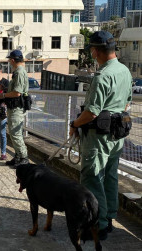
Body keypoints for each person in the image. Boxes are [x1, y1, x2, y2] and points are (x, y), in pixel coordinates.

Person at [69, 31, 132, 240]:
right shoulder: (124, 71)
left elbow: (92, 112)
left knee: (93, 178)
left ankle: (99, 224)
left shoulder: (102, 75)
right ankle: (109, 217)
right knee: (110, 176)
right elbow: (126, 103)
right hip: (117, 134)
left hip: (99, 135)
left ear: (95, 51)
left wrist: (74, 123)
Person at [0, 50, 29, 168]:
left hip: (16, 107)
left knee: (16, 134)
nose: (9, 62)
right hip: (14, 107)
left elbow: (17, 93)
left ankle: (23, 158)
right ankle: (18, 156)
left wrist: (2, 95)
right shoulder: (18, 71)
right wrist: (6, 88)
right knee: (13, 133)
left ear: (13, 60)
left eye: (9, 60)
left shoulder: (19, 72)